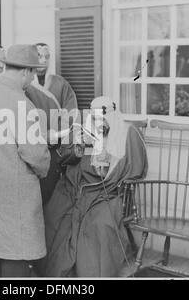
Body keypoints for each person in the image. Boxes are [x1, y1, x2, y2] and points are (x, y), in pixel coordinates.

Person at [40, 96, 148, 277]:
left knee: (97, 224)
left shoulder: (128, 134)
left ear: (111, 117)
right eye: (94, 118)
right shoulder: (86, 130)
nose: (97, 123)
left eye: (101, 119)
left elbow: (133, 170)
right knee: (54, 214)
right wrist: (79, 148)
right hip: (79, 187)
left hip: (110, 192)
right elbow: (68, 161)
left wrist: (105, 155)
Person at [0, 44, 50, 277]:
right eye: (33, 72)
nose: (33, 78)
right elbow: (36, 155)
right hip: (15, 205)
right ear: (26, 71)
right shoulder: (21, 102)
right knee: (17, 271)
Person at [26, 43, 78, 206]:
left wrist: (56, 133)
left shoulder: (60, 83)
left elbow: (70, 112)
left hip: (54, 147)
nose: (43, 61)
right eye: (39, 56)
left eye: (47, 57)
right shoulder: (25, 83)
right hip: (31, 145)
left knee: (52, 195)